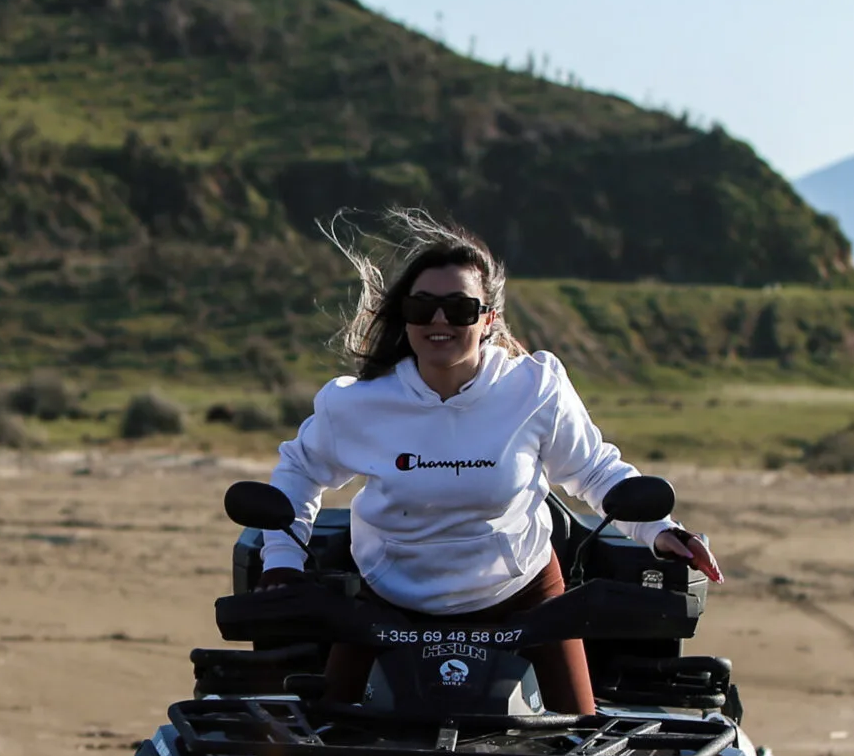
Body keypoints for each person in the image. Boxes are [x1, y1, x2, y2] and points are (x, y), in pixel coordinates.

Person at [256, 216, 721, 714]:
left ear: (488, 319)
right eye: (422, 307)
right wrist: (282, 559)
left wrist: (660, 529)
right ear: (405, 317)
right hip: (386, 605)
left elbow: (593, 469)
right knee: (327, 754)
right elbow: (299, 470)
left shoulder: (534, 387)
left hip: (525, 602)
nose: (440, 321)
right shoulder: (356, 404)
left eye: (459, 308)